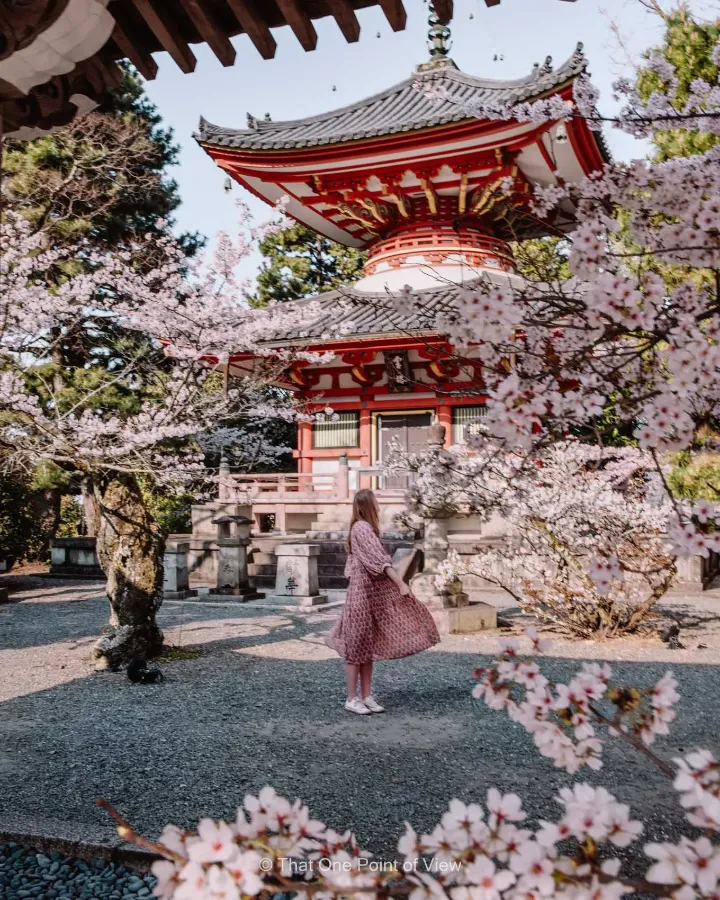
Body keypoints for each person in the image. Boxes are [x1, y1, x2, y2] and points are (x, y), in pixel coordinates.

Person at [326, 489, 440, 715]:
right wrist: (400, 583)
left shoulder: (361, 528)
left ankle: (366, 695)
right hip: (361, 595)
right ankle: (352, 698)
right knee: (356, 646)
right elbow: (380, 560)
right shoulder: (362, 528)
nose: (378, 507)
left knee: (367, 647)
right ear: (367, 505)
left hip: (367, 593)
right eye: (375, 503)